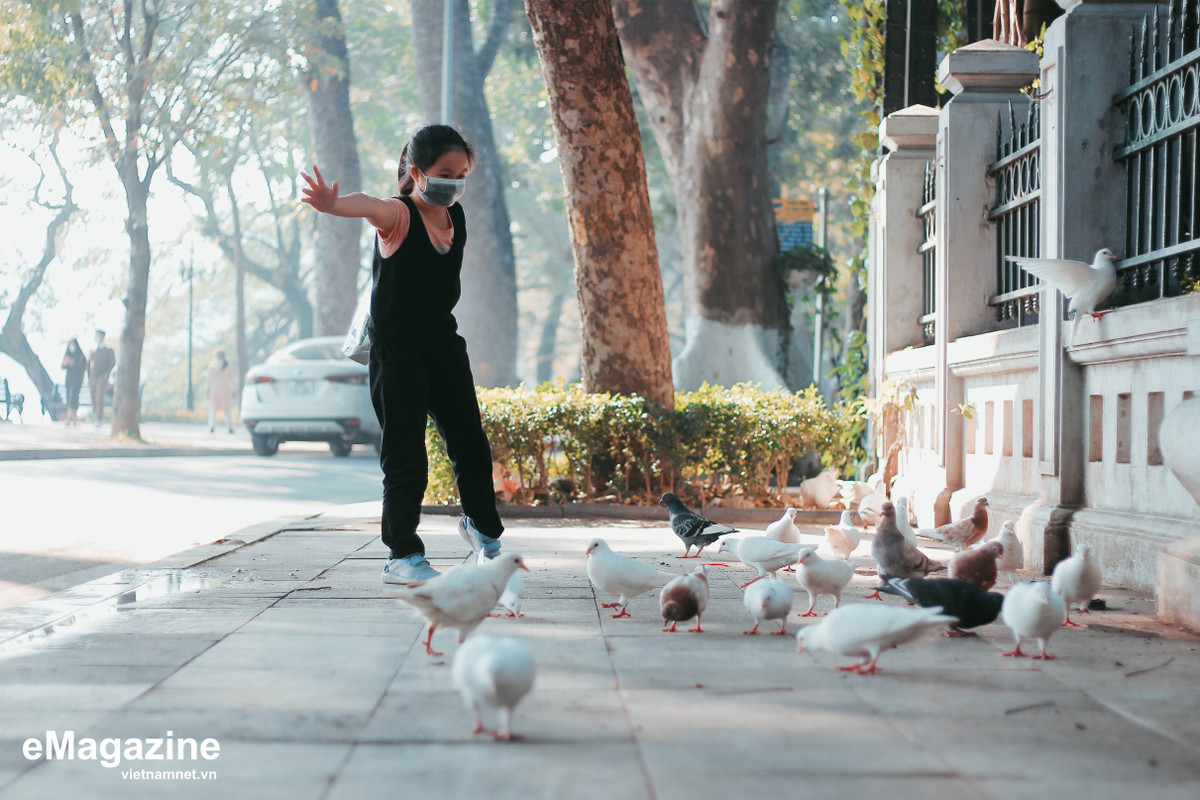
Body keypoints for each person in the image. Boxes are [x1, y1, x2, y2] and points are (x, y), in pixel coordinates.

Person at [300, 123, 505, 585]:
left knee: (471, 445)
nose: (454, 182)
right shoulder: (398, 214)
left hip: (445, 345)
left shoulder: (458, 218)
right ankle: (402, 555)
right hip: (398, 353)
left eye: (462, 173)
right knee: (407, 456)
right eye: (445, 172)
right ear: (417, 172)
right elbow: (367, 205)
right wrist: (333, 204)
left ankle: (482, 528)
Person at [87, 330, 116, 426]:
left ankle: (99, 418)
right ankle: (96, 416)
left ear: (102, 336)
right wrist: (89, 377)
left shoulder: (108, 350)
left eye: (98, 335)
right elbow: (88, 364)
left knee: (99, 397)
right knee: (94, 397)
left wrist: (106, 374)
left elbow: (112, 363)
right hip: (93, 377)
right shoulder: (93, 351)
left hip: (102, 377)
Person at [206, 350, 237, 433]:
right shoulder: (227, 365)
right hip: (225, 389)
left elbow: (208, 379)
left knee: (213, 409)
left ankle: (212, 426)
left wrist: (208, 389)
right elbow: (231, 379)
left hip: (214, 389)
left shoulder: (212, 365)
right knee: (227, 410)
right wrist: (234, 390)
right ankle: (230, 427)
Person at [60, 338, 87, 426]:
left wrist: (73, 362)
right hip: (69, 378)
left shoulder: (80, 355)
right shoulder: (67, 354)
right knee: (69, 396)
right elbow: (62, 366)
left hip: (77, 378)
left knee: (74, 396)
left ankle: (70, 416)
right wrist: (66, 362)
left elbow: (83, 365)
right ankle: (73, 417)